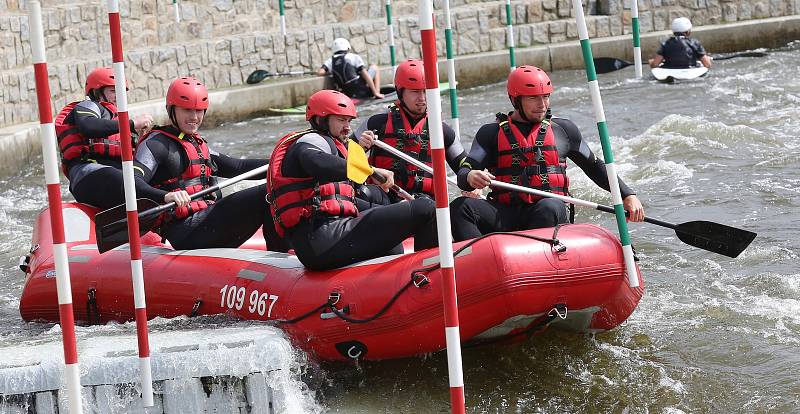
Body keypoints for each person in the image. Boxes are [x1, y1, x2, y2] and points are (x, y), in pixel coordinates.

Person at [450, 66, 645, 242]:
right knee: (461, 207)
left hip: (549, 213)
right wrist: (470, 175)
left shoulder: (564, 131)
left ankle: (537, 262)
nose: (542, 104)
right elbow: (464, 172)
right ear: (515, 100)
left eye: (545, 96)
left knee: (549, 206)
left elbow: (594, 167)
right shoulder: (490, 133)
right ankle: (480, 262)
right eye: (533, 98)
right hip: (506, 214)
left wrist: (627, 195)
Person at [266, 90, 438, 270]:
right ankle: (430, 273)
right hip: (320, 239)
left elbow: (345, 201)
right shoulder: (309, 141)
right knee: (425, 207)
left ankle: (397, 284)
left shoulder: (338, 146)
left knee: (393, 237)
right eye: (341, 120)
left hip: (330, 234)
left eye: (349, 121)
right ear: (320, 120)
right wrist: (370, 171)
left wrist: (396, 211)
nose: (347, 127)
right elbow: (318, 164)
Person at [132, 76, 286, 251]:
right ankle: (280, 260)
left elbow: (238, 167)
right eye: (187, 110)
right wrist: (164, 196)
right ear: (171, 110)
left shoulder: (196, 144)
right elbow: (131, 181)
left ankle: (281, 256)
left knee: (275, 188)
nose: (194, 117)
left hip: (205, 221)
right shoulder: (155, 144)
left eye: (199, 110)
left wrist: (282, 161)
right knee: (266, 193)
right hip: (186, 231)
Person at [354, 59, 477, 203]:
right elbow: (341, 158)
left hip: (424, 203)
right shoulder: (376, 123)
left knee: (461, 204)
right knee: (362, 193)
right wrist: (360, 148)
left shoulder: (442, 131)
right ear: (400, 91)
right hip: (384, 200)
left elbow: (464, 165)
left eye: (426, 91)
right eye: (415, 92)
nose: (422, 99)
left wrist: (472, 176)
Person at [54, 67, 154, 209]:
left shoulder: (120, 123)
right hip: (88, 174)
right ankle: (164, 197)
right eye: (113, 91)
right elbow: (88, 126)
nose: (118, 96)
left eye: (121, 92)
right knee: (127, 181)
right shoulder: (88, 106)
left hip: (116, 176)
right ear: (97, 93)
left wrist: (142, 139)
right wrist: (131, 124)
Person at [317, 37, 384, 100]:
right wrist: (375, 92)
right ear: (347, 47)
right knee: (374, 67)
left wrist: (331, 72)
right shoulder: (353, 57)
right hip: (361, 88)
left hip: (348, 92)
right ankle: (377, 92)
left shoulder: (330, 61)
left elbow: (320, 72)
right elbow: (365, 74)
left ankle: (375, 92)